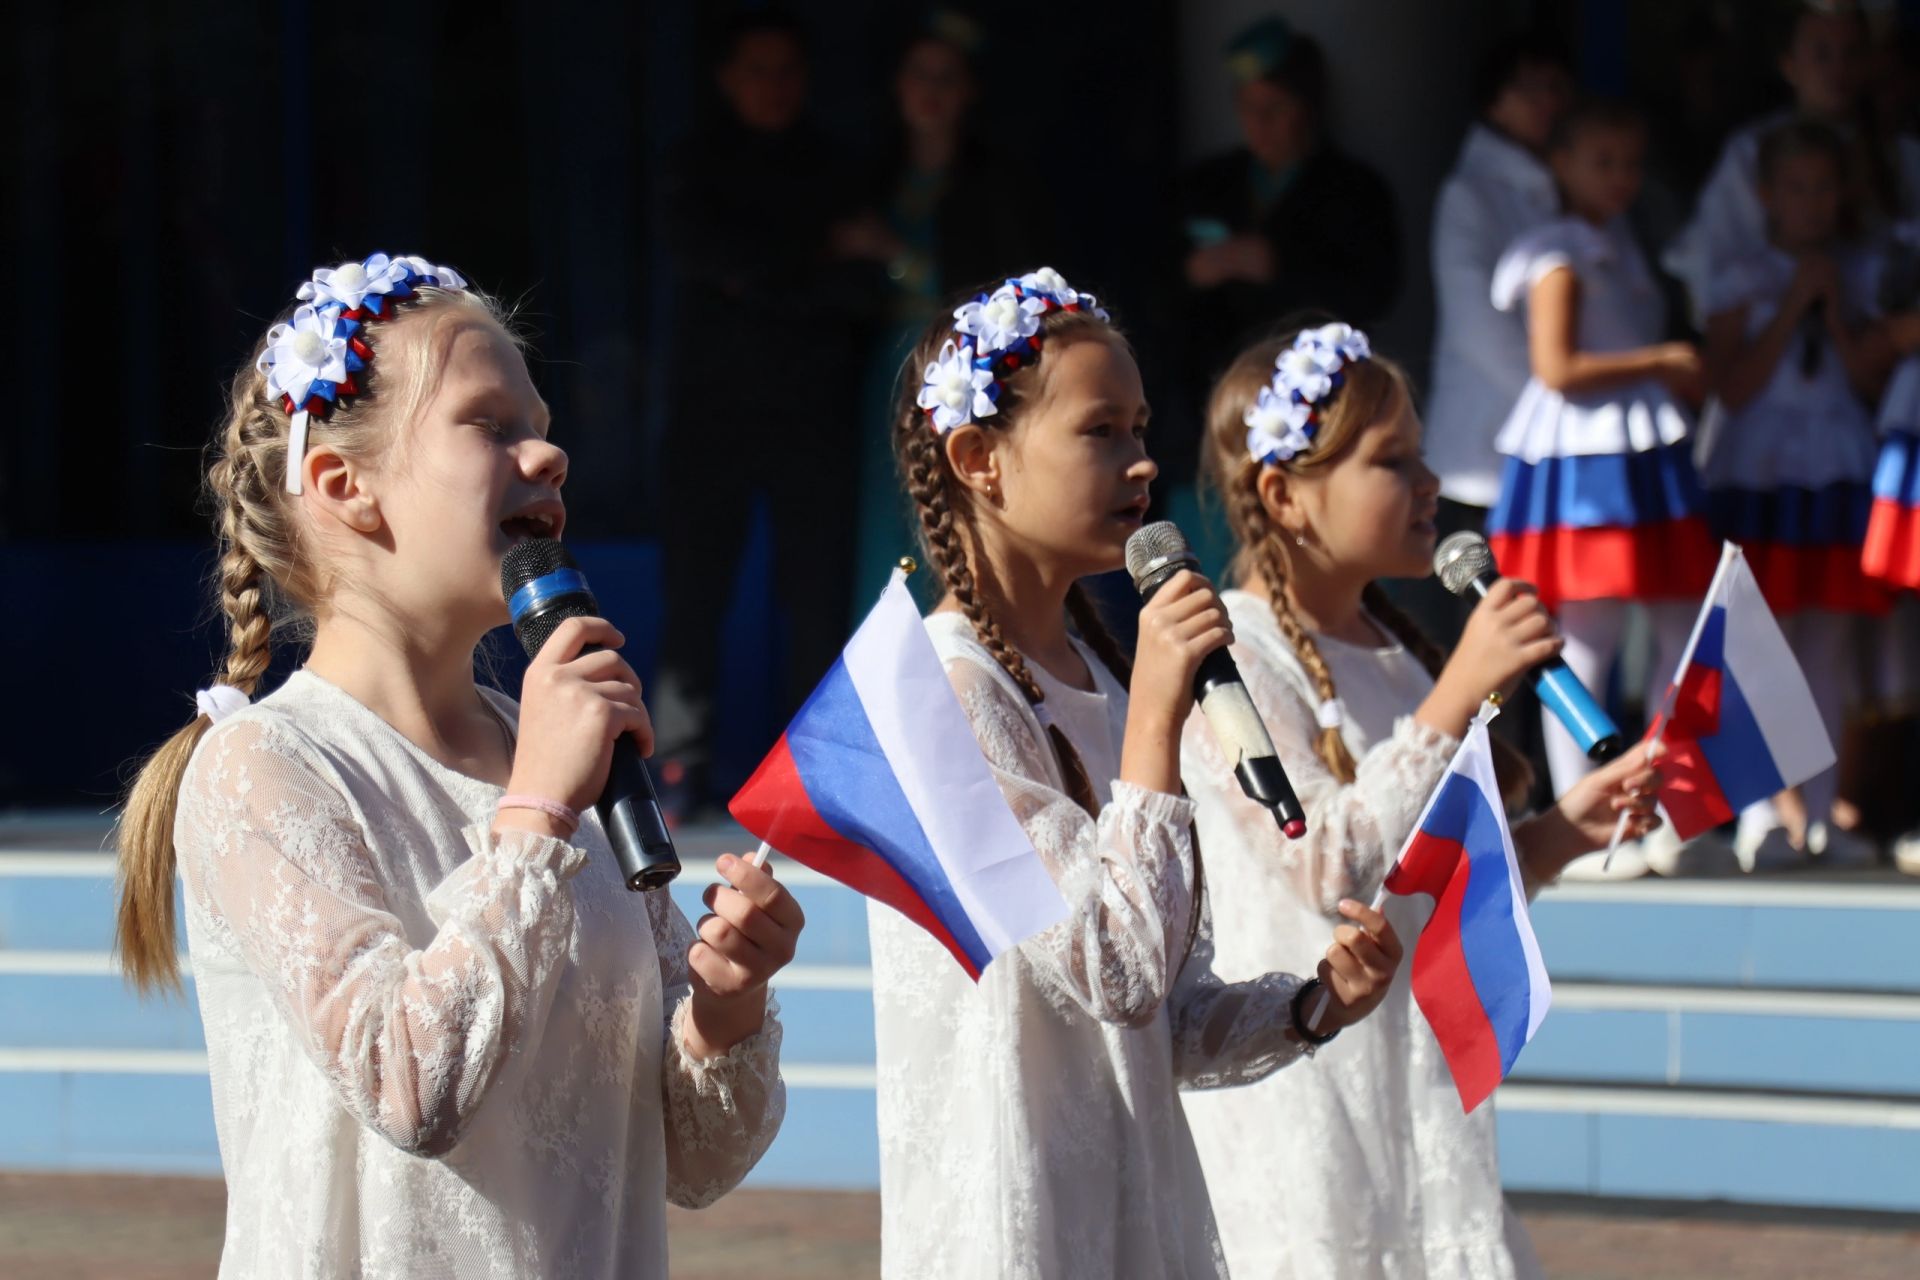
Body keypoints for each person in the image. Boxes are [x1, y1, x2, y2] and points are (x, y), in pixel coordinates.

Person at [114, 254, 802, 1276]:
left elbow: (695, 1162)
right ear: (347, 487)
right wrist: (533, 815)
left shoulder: (567, 763)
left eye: (545, 421)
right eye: (493, 423)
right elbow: (409, 1087)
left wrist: (727, 999)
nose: (551, 452)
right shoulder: (265, 766)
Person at [869, 270, 1404, 1278]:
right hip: (1014, 1219)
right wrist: (1158, 711)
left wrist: (1312, 1000)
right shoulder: (947, 693)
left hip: (1132, 1202)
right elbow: (1108, 969)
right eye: (1101, 430)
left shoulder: (1105, 681)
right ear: (980, 458)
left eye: (1143, 426)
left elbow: (1165, 1003)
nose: (1145, 462)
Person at [1180, 323, 1663, 1279]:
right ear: (1286, 496)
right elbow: (1327, 866)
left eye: (1423, 455)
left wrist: (1565, 831)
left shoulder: (1397, 654)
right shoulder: (1233, 658)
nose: (1430, 485)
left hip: (1417, 1084)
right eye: (1391, 461)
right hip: (1310, 1102)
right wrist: (1457, 695)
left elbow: (1427, 882)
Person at [1484, 99, 1718, 877]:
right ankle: (1583, 818)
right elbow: (1558, 367)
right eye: (1602, 161)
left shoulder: (1613, 241)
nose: (1620, 179)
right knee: (1584, 640)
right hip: (1585, 462)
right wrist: (1662, 361)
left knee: (1679, 633)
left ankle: (1674, 809)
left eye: (1631, 163)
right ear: (1562, 164)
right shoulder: (1555, 249)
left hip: (1633, 457)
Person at [654, 8, 870, 812]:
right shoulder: (694, 163)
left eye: (787, 71)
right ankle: (677, 768)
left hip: (815, 417)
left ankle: (816, 780)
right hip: (713, 417)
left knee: (817, 597)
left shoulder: (839, 166)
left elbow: (860, 289)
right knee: (695, 595)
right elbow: (717, 258)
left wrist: (784, 272)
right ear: (726, 78)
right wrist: (812, 257)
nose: (772, 88)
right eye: (757, 70)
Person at [1698, 119, 1893, 869]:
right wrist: (1791, 305)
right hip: (1760, 470)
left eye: (1824, 189)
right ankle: (1756, 812)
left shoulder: (1860, 270)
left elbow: (1869, 376)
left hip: (1835, 463)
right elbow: (1732, 384)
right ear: (1767, 195)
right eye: (1797, 189)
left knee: (1827, 649)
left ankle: (1821, 811)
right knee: (1753, 645)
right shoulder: (1741, 273)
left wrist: (1836, 309)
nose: (1812, 204)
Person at [1174, 14, 1400, 536]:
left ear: (1307, 107)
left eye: (1274, 108)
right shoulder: (1208, 185)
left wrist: (1278, 266)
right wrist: (1195, 271)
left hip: (1322, 417)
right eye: (1247, 108)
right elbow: (1151, 286)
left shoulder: (1354, 191)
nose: (1260, 123)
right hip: (1212, 417)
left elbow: (1375, 290)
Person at [847, 9, 1042, 612]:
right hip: (883, 376)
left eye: (946, 77)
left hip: (962, 381)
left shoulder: (996, 182)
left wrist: (898, 257)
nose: (930, 92)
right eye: (919, 74)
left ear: (969, 91)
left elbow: (1004, 291)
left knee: (957, 524)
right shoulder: (871, 173)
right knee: (885, 528)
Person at [1422, 30, 1575, 568]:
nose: (1547, 102)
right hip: (1487, 457)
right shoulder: (1469, 193)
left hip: (1563, 448)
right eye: (1529, 88)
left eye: (1556, 87)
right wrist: (1566, 392)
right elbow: (1477, 323)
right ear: (1494, 102)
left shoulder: (1577, 182)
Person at [1666, 1, 1920, 322]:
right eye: (1821, 54)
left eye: (1852, 53)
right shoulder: (1751, 152)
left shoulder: (1902, 154)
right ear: (1789, 65)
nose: (1837, 68)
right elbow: (1708, 280)